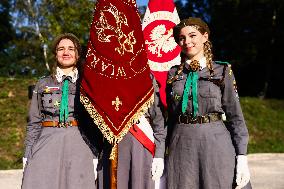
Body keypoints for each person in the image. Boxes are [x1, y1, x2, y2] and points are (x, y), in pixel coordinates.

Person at [165, 17, 251, 189]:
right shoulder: (173, 74)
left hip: (214, 141)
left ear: (205, 37)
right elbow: (170, 117)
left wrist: (242, 156)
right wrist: (160, 154)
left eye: (192, 35)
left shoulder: (222, 70)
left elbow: (235, 117)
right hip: (181, 144)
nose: (187, 41)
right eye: (182, 38)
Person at [21, 33, 96, 189]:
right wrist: (27, 153)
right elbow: (34, 122)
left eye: (71, 48)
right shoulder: (42, 84)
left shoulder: (88, 84)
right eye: (61, 49)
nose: (66, 52)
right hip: (47, 143)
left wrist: (95, 154)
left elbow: (94, 123)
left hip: (79, 143)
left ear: (77, 54)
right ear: (56, 54)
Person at [96, 76, 166, 189]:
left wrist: (159, 155)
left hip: (139, 147)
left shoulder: (146, 76)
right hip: (110, 148)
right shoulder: (104, 75)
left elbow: (159, 121)